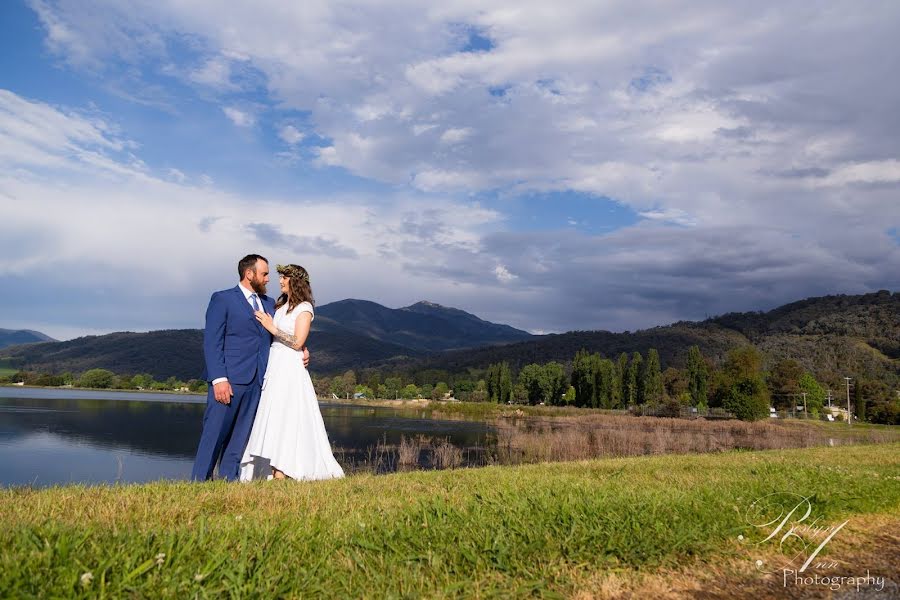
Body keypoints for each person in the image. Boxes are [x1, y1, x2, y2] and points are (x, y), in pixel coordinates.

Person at [191, 254, 310, 481]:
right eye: (264, 274)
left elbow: (284, 333)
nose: (268, 279)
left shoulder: (270, 304)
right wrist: (219, 379)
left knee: (239, 439)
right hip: (229, 381)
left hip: (259, 382)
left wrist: (303, 348)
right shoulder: (222, 299)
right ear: (249, 274)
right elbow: (212, 342)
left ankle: (229, 482)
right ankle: (198, 484)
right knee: (213, 436)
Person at [240, 263, 345, 481]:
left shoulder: (304, 308)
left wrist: (272, 328)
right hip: (275, 364)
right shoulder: (280, 306)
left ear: (295, 281)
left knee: (289, 416)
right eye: (279, 277)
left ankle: (284, 468)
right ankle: (270, 468)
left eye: (284, 278)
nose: (279, 281)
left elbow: (298, 342)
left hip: (290, 367)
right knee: (274, 415)